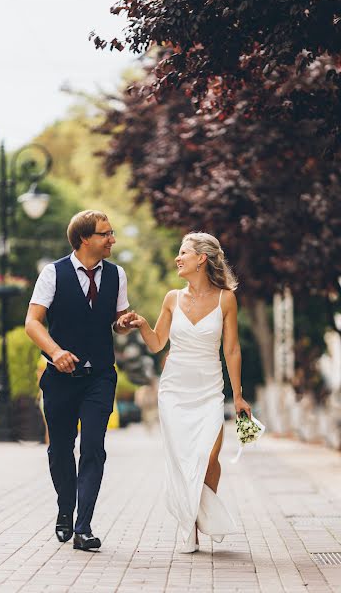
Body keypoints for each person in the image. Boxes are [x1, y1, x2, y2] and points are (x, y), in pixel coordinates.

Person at [117, 232, 251, 553]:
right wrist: (143, 325)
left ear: (202, 258)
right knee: (182, 459)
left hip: (209, 389)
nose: (178, 258)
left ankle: (202, 514)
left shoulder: (226, 299)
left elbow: (231, 350)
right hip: (174, 390)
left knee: (208, 456)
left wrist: (238, 395)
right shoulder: (171, 298)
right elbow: (157, 343)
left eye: (183, 253)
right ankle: (189, 524)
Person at [25, 210, 132, 551]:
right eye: (106, 233)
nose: (112, 239)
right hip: (59, 377)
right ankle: (64, 509)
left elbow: (115, 320)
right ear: (85, 239)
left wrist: (123, 323)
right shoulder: (52, 273)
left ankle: (84, 526)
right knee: (60, 450)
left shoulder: (117, 275)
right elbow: (32, 322)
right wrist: (55, 352)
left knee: (93, 449)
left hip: (100, 375)